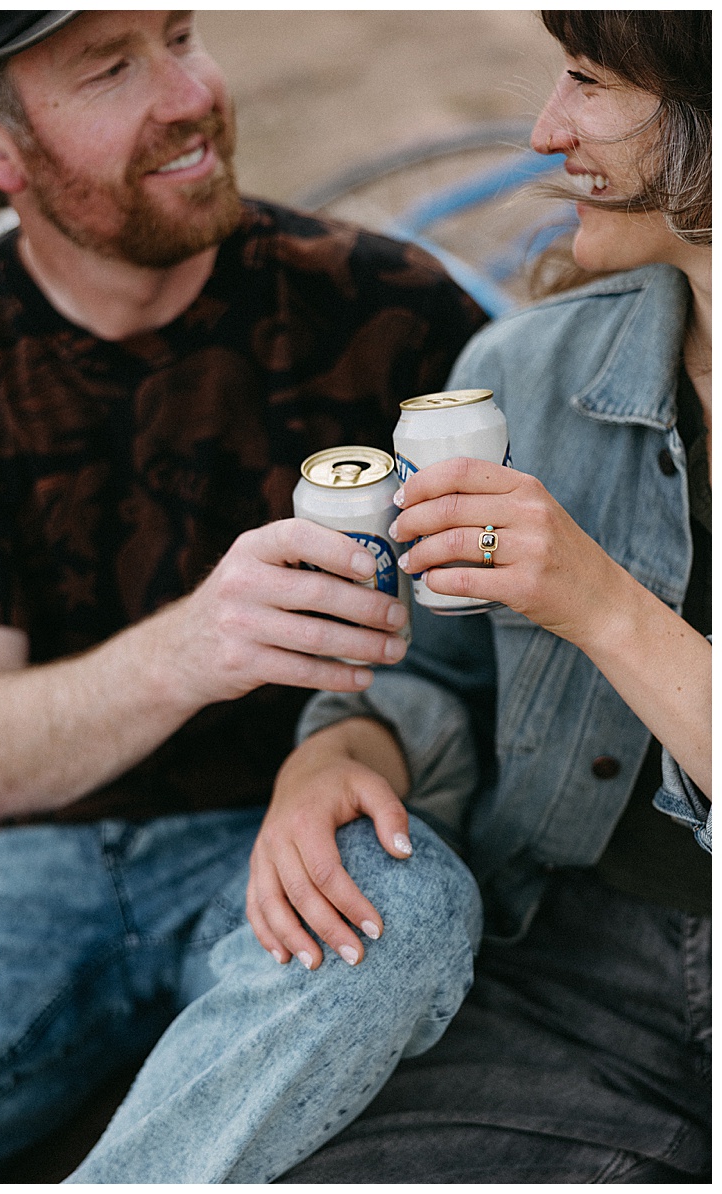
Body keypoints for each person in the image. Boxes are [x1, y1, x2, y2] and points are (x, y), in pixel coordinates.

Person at [0, 11, 489, 1183]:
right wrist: (193, 648)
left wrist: (360, 750)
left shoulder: (394, 309)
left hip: (292, 839)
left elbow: (509, 675)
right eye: (113, 67)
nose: (189, 93)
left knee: (413, 912)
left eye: (181, 33)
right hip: (26, 858)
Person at [275, 10, 710, 1182]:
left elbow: (590, 610)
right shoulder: (520, 376)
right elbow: (439, 672)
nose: (540, 129)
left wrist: (604, 606)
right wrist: (340, 749)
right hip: (569, 969)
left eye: (586, 81)